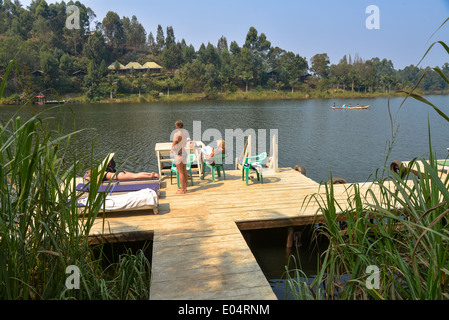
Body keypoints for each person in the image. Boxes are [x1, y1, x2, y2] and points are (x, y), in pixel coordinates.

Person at [84, 158, 159, 182]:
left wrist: (88, 178)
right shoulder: (101, 171)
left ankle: (151, 177)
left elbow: (97, 183)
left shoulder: (99, 175)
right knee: (136, 174)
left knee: (135, 177)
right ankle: (150, 174)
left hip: (118, 176)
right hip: (119, 172)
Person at [172, 120, 188, 194]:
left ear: (176, 126)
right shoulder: (185, 133)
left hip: (179, 154)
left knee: (180, 173)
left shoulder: (176, 134)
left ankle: (182, 190)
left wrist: (172, 149)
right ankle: (185, 188)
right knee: (184, 171)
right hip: (184, 152)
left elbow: (174, 145)